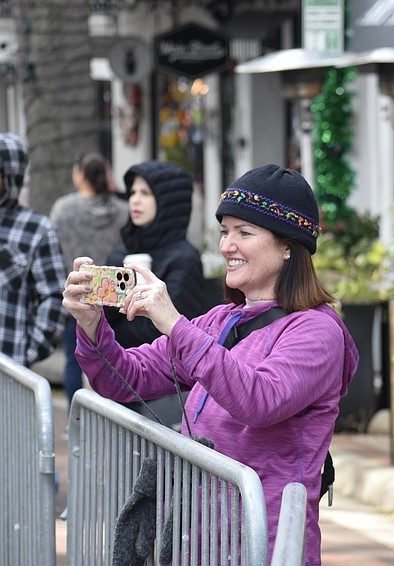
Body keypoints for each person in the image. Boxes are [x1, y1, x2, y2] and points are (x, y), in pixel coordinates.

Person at [62, 164, 358, 564]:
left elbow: (259, 400)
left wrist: (173, 324)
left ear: (289, 245)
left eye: (244, 233)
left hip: (263, 545)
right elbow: (125, 380)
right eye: (224, 232)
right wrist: (92, 326)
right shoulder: (221, 320)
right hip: (194, 540)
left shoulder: (317, 331)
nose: (226, 246)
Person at [104, 160, 206, 427]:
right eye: (133, 193)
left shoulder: (184, 259)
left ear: (168, 201)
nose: (135, 200)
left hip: (161, 394)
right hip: (117, 381)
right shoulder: (120, 251)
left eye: (146, 193)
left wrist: (114, 327)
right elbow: (99, 320)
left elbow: (168, 330)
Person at [50, 152, 127, 406]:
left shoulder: (63, 209)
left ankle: (76, 420)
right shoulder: (121, 210)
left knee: (74, 359)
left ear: (80, 174)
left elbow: (54, 250)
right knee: (113, 358)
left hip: (77, 293)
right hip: (114, 294)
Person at [0, 132, 66, 367]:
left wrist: (26, 354)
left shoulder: (38, 229)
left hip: (9, 377)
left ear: (10, 176)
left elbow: (55, 297)